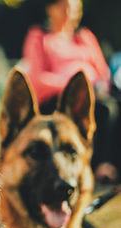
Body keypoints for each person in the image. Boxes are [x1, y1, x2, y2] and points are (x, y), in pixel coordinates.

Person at [21, 0, 120, 184]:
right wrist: (75, 86)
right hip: (58, 100)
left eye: (75, 9)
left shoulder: (85, 37)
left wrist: (97, 86)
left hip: (93, 93)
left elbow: (103, 73)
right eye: (65, 7)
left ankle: (114, 165)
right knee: (104, 109)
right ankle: (98, 166)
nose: (70, 13)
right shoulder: (40, 37)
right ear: (50, 9)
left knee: (114, 103)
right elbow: (37, 79)